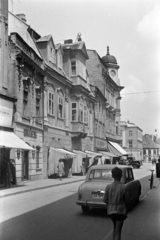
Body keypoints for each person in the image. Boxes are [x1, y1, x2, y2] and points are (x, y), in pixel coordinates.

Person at [103, 167, 127, 240]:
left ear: (112, 176)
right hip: (120, 211)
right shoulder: (123, 187)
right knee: (118, 231)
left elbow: (104, 199)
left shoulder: (108, 187)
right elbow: (127, 199)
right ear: (121, 176)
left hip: (111, 211)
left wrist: (110, 203)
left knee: (115, 228)